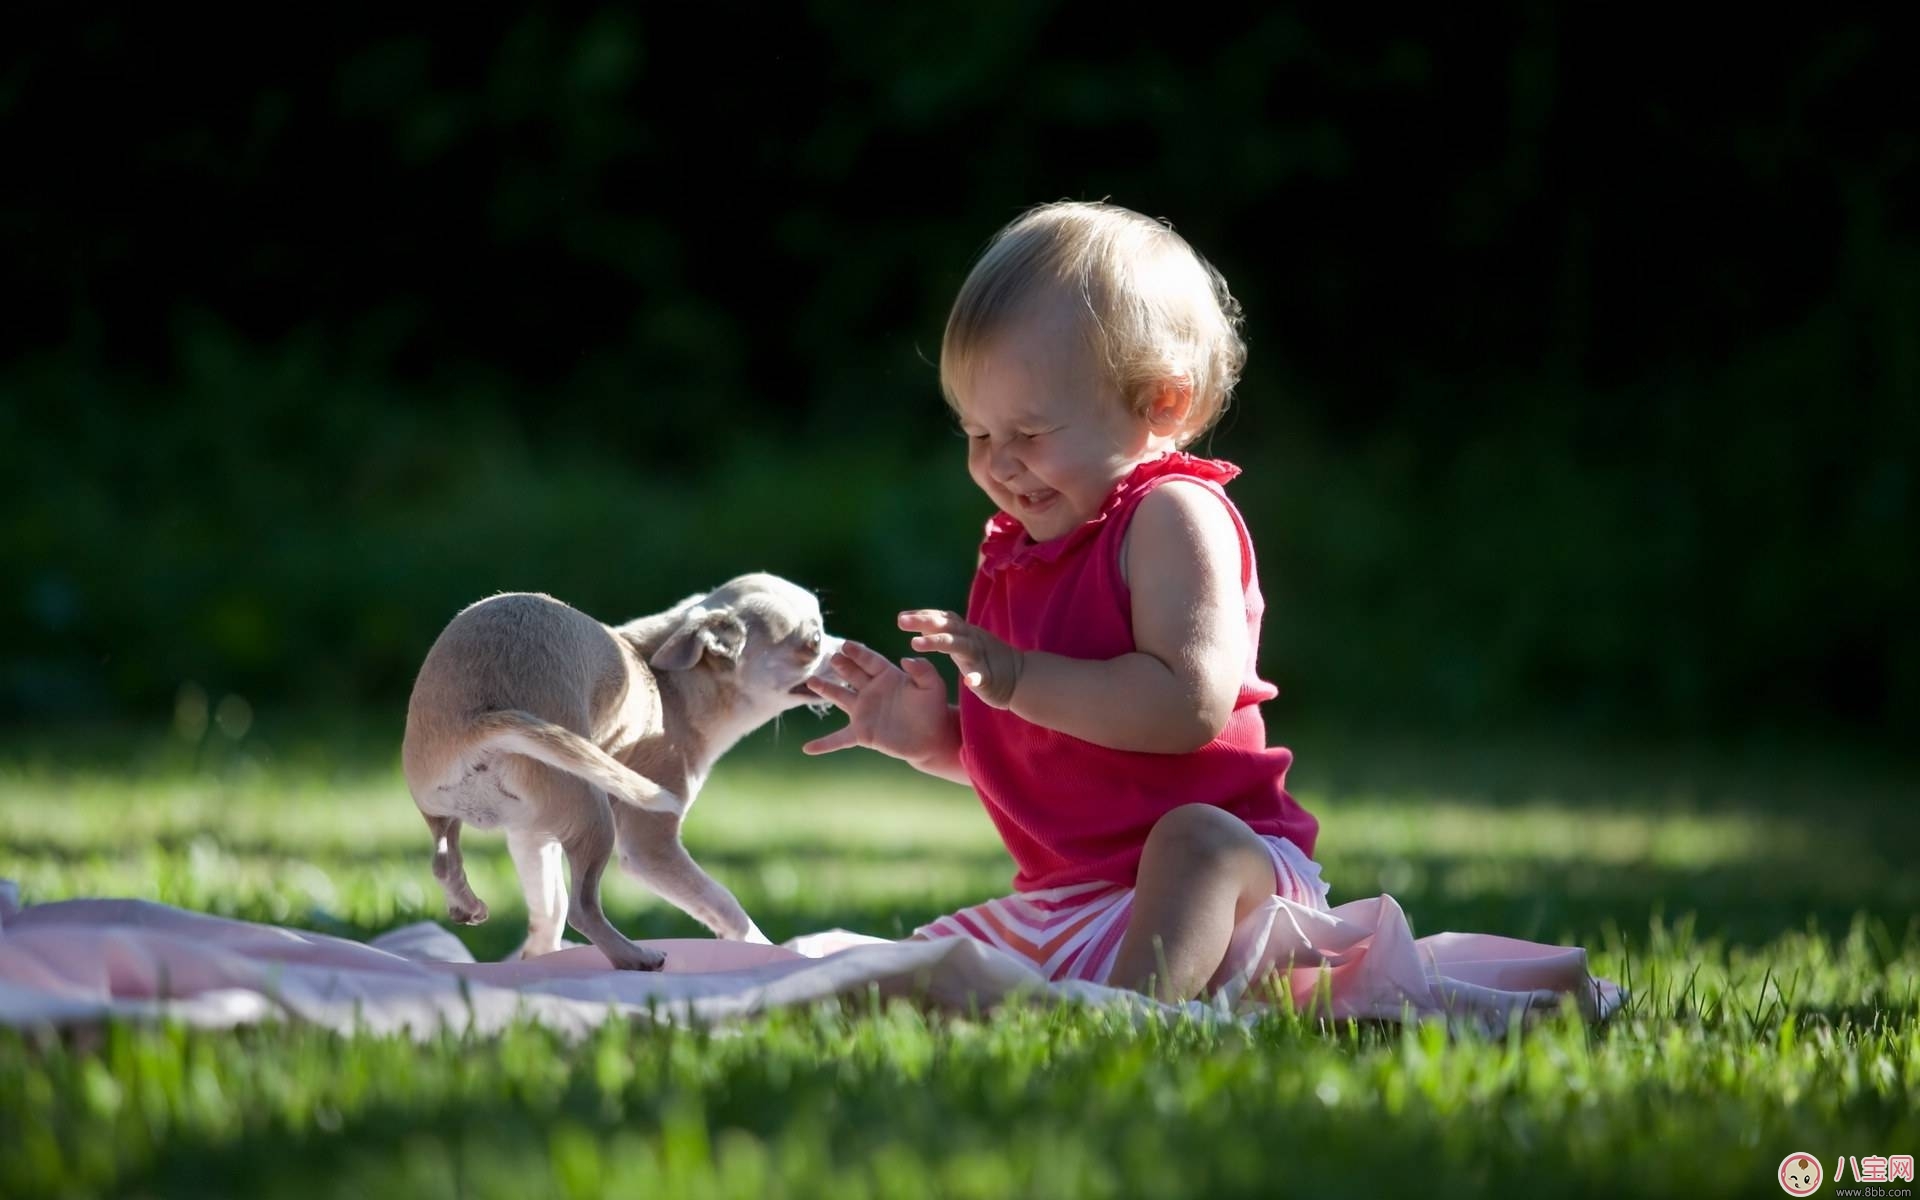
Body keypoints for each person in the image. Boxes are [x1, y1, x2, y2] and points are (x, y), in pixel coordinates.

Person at [804, 200, 1326, 1002]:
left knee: (1193, 843)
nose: (1001, 465)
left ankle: (1132, 1019)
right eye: (977, 435)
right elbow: (1055, 755)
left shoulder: (1170, 514)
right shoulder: (1019, 549)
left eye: (1031, 432)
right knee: (892, 985)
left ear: (1162, 403)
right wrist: (937, 740)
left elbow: (1187, 705)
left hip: (1232, 894)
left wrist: (1015, 678)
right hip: (1078, 905)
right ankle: (1108, 997)